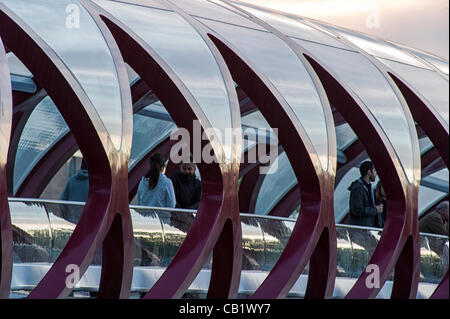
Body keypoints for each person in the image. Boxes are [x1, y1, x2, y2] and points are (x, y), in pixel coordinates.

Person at [347, 161, 383, 227]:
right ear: (369, 172)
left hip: (366, 229)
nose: (376, 173)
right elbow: (357, 210)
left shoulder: (369, 188)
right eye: (374, 170)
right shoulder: (358, 188)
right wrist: (375, 209)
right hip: (359, 230)